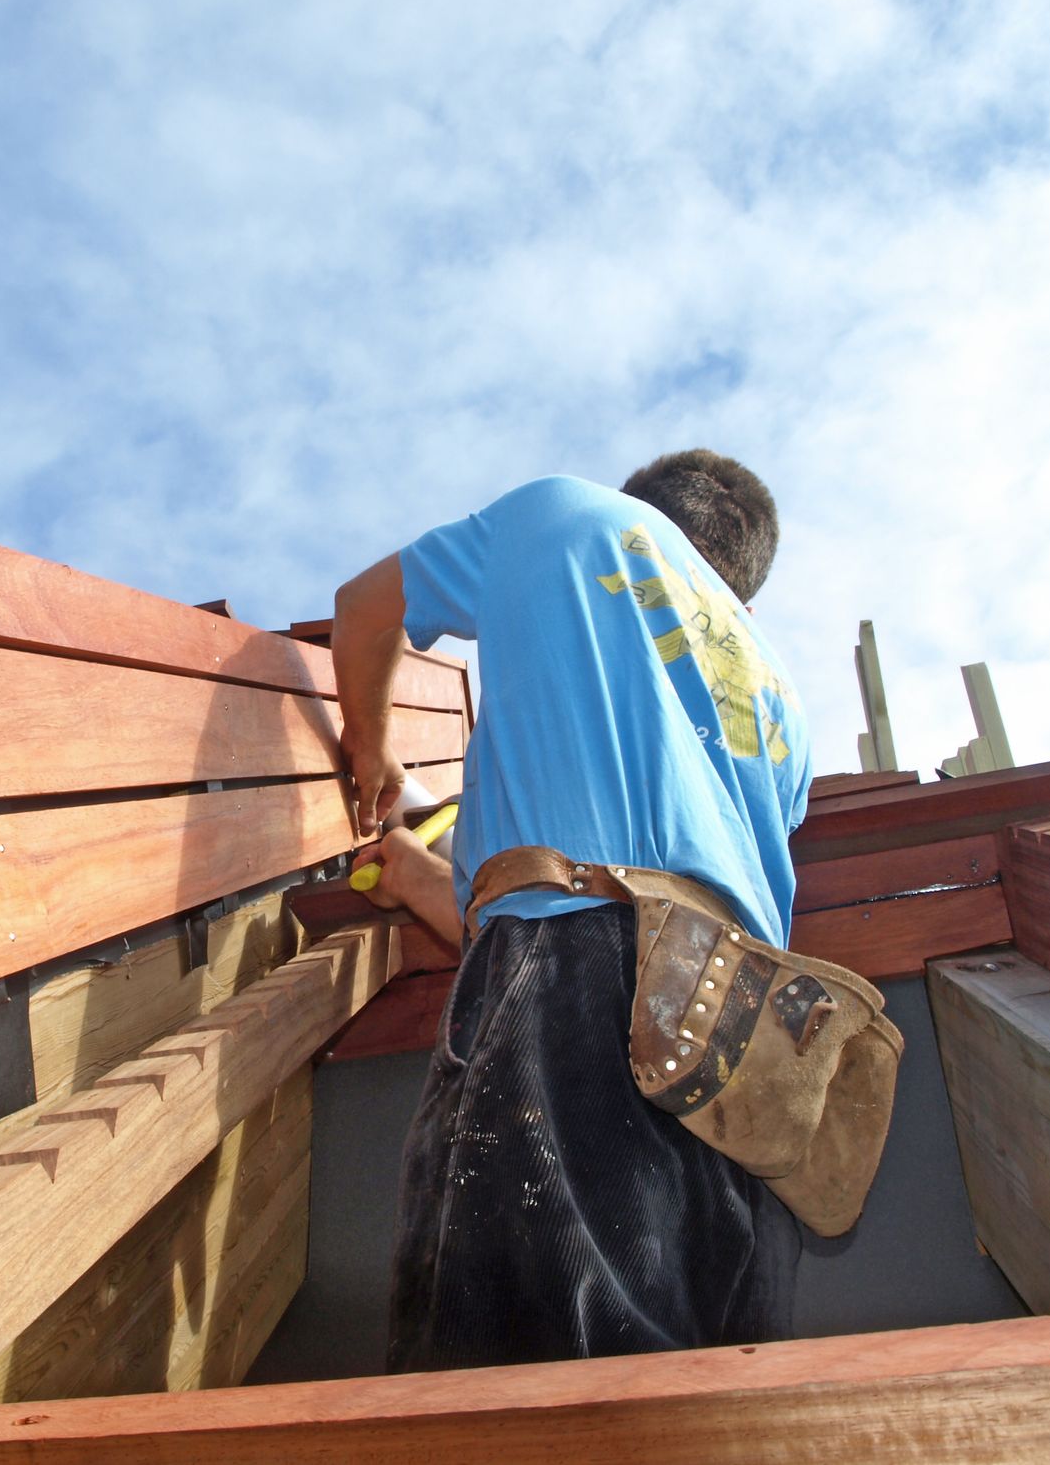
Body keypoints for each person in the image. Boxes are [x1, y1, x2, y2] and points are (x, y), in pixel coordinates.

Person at [331, 449, 811, 1372]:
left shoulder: (566, 514)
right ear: (739, 599)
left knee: (516, 1375)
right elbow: (661, 906)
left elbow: (362, 609)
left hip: (583, 970)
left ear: (645, 514)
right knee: (705, 1388)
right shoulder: (782, 698)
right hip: (753, 1041)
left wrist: (371, 747)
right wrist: (420, 879)